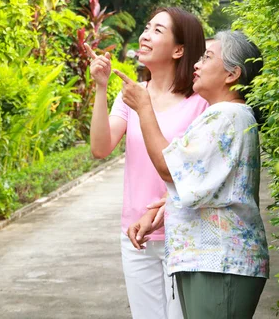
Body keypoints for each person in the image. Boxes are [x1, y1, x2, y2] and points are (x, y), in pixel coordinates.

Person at [115, 30, 270, 319]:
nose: (196, 64)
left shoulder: (227, 115)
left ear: (232, 74)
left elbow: (169, 169)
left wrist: (144, 106)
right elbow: (203, 182)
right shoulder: (223, 114)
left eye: (207, 57)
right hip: (211, 261)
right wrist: (164, 207)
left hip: (220, 261)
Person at [88, 7, 209, 319]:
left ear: (180, 49)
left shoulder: (199, 104)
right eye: (146, 27)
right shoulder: (132, 94)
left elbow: (198, 172)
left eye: (157, 30)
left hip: (185, 232)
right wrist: (101, 87)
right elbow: (101, 148)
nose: (145, 35)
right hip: (135, 233)